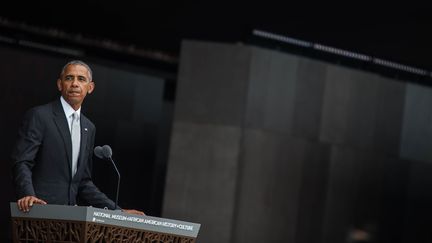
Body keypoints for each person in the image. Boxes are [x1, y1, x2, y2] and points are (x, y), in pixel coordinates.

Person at [11, 60, 144, 215]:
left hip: (69, 219)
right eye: (69, 78)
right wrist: (28, 194)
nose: (74, 83)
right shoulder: (40, 116)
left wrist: (118, 211)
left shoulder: (89, 127)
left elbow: (83, 182)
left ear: (90, 88)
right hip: (38, 212)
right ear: (60, 84)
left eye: (81, 79)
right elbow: (22, 162)